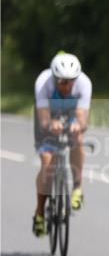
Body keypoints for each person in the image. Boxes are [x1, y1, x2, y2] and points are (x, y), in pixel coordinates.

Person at [32, 52, 92, 237]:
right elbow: (43, 117)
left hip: (71, 112)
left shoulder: (84, 83)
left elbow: (82, 116)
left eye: (71, 81)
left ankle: (77, 188)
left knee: (78, 139)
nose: (67, 86)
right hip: (49, 115)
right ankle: (40, 213)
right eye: (63, 82)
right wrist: (51, 124)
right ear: (54, 78)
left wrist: (77, 125)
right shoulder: (43, 82)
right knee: (47, 161)